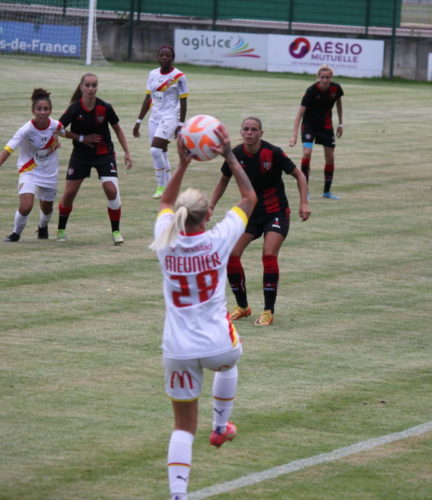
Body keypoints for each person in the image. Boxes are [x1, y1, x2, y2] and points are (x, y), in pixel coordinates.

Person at [150, 126, 256, 500]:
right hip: (217, 344)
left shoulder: (165, 237)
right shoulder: (218, 238)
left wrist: (180, 164)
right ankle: (221, 426)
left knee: (181, 428)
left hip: (177, 348)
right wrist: (229, 155)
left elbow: (165, 202)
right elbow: (248, 197)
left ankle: (178, 495)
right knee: (230, 362)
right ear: (207, 213)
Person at [210, 116, 310, 326]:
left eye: (253, 129)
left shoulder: (272, 152)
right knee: (231, 255)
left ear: (261, 133)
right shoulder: (235, 154)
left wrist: (303, 203)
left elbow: (299, 175)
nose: (249, 133)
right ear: (241, 131)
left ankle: (268, 311)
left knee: (269, 255)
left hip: (276, 212)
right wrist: (210, 206)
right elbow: (223, 181)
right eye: (245, 129)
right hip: (250, 214)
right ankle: (243, 307)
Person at [57, 73, 132, 245]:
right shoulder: (75, 108)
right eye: (88, 85)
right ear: (81, 87)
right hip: (81, 155)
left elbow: (118, 130)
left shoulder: (105, 107)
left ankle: (116, 231)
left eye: (94, 85)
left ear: (97, 87)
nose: (91, 89)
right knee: (69, 194)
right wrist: (82, 138)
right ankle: (61, 229)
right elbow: (59, 129)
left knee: (111, 190)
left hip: (104, 154)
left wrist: (127, 152)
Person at [1, 88, 69, 242]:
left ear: (50, 110)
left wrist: (80, 139)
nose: (42, 112)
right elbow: (9, 148)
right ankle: (15, 234)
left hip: (49, 172)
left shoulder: (55, 125)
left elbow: (65, 134)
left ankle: (43, 227)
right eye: (39, 109)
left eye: (46, 109)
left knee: (47, 208)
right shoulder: (25, 130)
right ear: (33, 110)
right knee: (26, 206)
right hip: (29, 170)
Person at [133, 45, 188, 199]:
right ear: (157, 57)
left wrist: (181, 125)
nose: (164, 58)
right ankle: (171, 185)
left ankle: (161, 186)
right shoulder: (152, 74)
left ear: (172, 58)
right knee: (162, 152)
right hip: (154, 117)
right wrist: (139, 120)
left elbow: (183, 101)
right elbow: (148, 98)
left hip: (171, 117)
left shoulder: (179, 76)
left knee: (155, 150)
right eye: (161, 55)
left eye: (168, 56)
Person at [289, 64, 344, 200]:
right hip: (309, 126)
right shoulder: (311, 91)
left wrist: (341, 123)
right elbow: (299, 115)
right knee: (307, 153)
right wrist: (294, 135)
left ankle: (327, 191)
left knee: (330, 157)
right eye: (322, 77)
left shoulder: (336, 88)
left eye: (328, 77)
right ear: (318, 78)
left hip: (326, 127)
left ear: (331, 77)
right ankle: (305, 190)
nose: (325, 80)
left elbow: (339, 103)